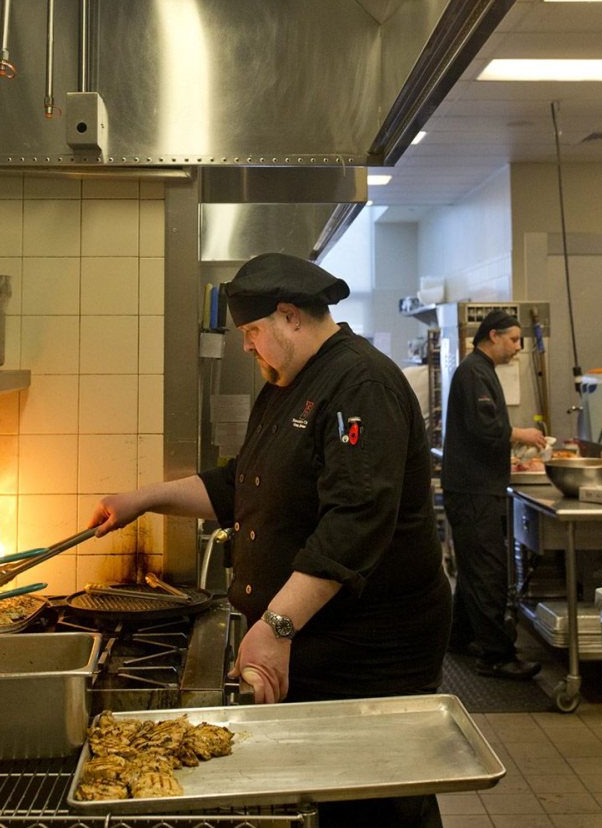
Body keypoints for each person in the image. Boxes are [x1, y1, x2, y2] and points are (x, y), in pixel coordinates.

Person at [88, 252, 452, 828]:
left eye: (252, 331)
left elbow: (354, 522)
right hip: (317, 639)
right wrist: (143, 500)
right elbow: (241, 484)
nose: (247, 346)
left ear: (290, 316)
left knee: (375, 805)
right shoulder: (286, 383)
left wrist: (278, 624)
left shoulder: (361, 382)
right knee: (327, 802)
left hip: (366, 651)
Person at [441, 308, 546, 680]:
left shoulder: (481, 372)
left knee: (473, 569)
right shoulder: (474, 373)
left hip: (473, 487)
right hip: (473, 491)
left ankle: (461, 637)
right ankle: (496, 655)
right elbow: (487, 428)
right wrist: (521, 435)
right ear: (493, 336)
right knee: (488, 571)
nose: (518, 347)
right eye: (515, 339)